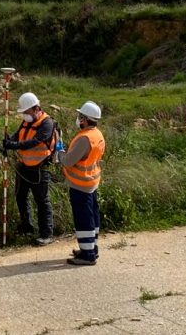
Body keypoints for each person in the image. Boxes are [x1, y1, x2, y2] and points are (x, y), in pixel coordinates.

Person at [2, 92, 56, 246]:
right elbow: (18, 135)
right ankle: (27, 228)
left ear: (35, 108)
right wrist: (8, 142)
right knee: (20, 197)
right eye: (23, 112)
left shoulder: (47, 123)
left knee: (42, 201)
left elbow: (35, 141)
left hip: (39, 169)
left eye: (26, 112)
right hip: (24, 166)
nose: (24, 115)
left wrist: (15, 146)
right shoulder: (27, 122)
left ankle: (47, 234)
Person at [57, 101, 105, 266]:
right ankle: (92, 248)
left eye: (80, 116)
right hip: (92, 181)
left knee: (83, 218)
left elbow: (69, 161)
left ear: (85, 119)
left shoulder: (85, 138)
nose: (78, 119)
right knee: (92, 215)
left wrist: (59, 154)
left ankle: (87, 255)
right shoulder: (97, 134)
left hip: (81, 184)